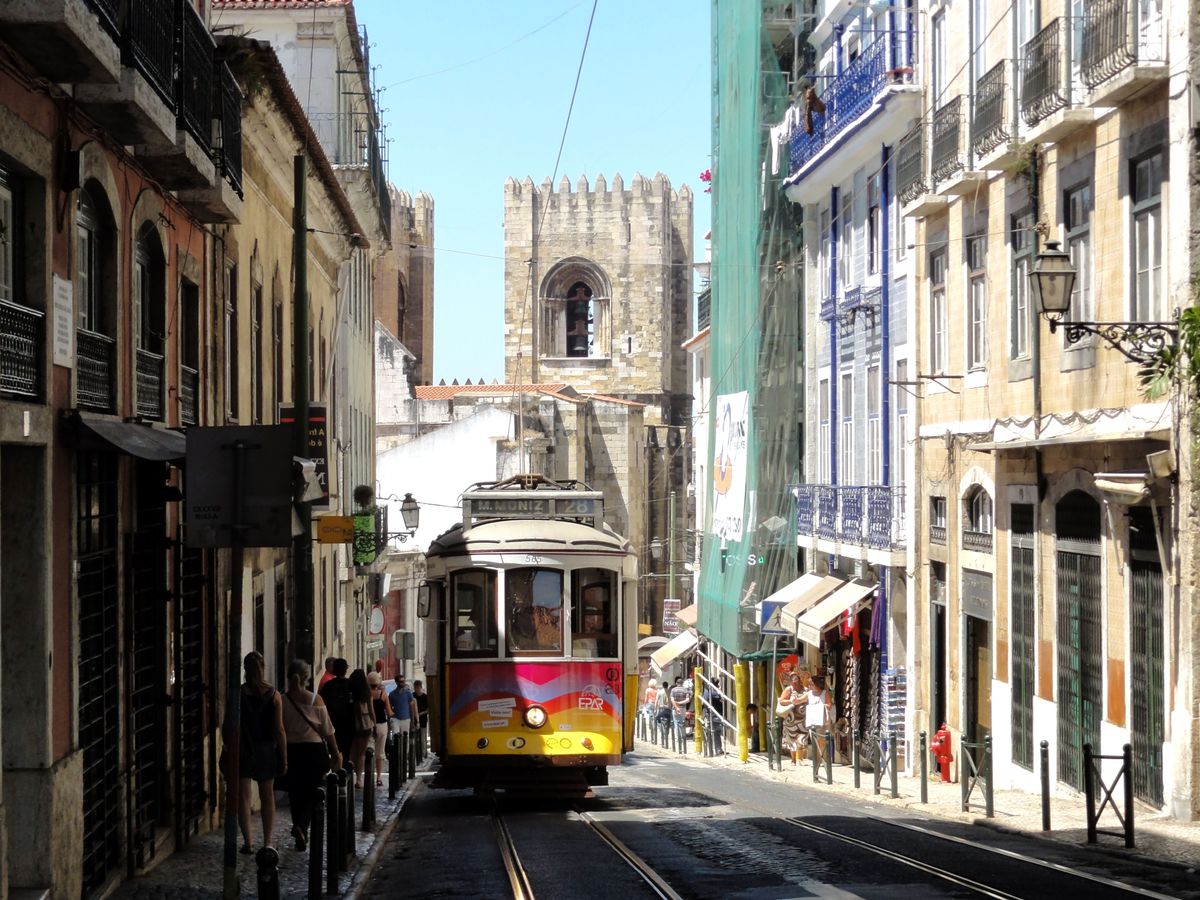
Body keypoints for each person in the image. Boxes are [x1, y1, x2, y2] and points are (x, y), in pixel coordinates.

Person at [281, 659, 341, 851]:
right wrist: (335, 752)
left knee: (295, 794)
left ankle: (301, 830)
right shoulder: (316, 700)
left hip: (291, 751)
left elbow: (278, 729)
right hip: (313, 752)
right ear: (307, 678)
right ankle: (301, 826)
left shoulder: (281, 700)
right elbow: (327, 729)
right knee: (314, 792)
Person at [236, 651, 285, 854]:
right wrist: (284, 756)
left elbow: (230, 723)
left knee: (244, 798)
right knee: (267, 798)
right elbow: (279, 729)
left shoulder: (238, 693)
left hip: (244, 749)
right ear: (262, 669)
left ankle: (247, 842)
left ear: (245, 670)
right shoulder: (274, 695)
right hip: (266, 750)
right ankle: (268, 842)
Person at [318, 658, 354, 759]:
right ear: (345, 670)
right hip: (348, 724)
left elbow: (322, 704)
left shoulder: (328, 686)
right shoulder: (351, 685)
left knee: (334, 752)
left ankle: (336, 771)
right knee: (347, 753)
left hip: (332, 723)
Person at [347, 668, 373, 788]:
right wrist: (375, 723)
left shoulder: (349, 689)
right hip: (364, 724)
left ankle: (349, 777)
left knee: (352, 752)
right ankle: (359, 779)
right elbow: (371, 710)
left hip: (351, 723)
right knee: (361, 753)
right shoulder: (366, 691)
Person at [367, 671, 392, 786]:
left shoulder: (366, 695)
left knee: (368, 751)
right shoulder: (383, 694)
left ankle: (367, 775)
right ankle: (379, 777)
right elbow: (389, 712)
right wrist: (393, 711)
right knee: (380, 753)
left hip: (369, 724)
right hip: (382, 725)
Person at [776, 672, 806, 766]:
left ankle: (800, 759)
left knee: (802, 739)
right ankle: (793, 760)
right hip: (791, 719)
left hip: (802, 718)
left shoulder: (804, 689)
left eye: (796, 678)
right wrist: (791, 701)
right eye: (792, 678)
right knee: (792, 740)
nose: (795, 680)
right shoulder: (789, 689)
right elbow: (781, 700)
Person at [803, 674, 834, 764]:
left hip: (823, 721)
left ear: (817, 684)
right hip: (813, 721)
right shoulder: (808, 694)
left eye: (811, 684)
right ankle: (817, 761)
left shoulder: (825, 693)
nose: (810, 686)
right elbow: (799, 700)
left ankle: (824, 761)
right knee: (815, 741)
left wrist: (820, 706)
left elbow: (829, 705)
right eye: (809, 684)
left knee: (823, 741)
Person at [389, 674, 418, 741]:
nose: (403, 683)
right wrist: (389, 720)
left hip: (406, 719)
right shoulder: (392, 694)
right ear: (396, 682)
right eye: (401, 681)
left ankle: (405, 752)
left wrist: (412, 722)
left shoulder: (408, 693)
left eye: (403, 681)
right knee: (395, 738)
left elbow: (412, 708)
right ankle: (396, 751)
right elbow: (389, 708)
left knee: (405, 739)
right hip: (395, 719)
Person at [669, 675, 691, 747]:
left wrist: (676, 706)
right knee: (682, 723)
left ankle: (677, 738)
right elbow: (688, 700)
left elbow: (672, 700)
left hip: (675, 709)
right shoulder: (685, 690)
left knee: (676, 723)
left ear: (676, 683)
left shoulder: (673, 690)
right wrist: (680, 703)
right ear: (682, 683)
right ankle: (683, 737)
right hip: (683, 708)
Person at [413, 680, 430, 756]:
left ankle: (423, 753)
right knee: (416, 738)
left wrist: (420, 714)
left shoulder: (425, 697)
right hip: (414, 720)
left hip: (423, 719)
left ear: (420, 687)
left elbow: (428, 709)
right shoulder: (412, 695)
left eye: (417, 688)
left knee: (423, 738)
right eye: (415, 688)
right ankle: (417, 753)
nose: (416, 690)